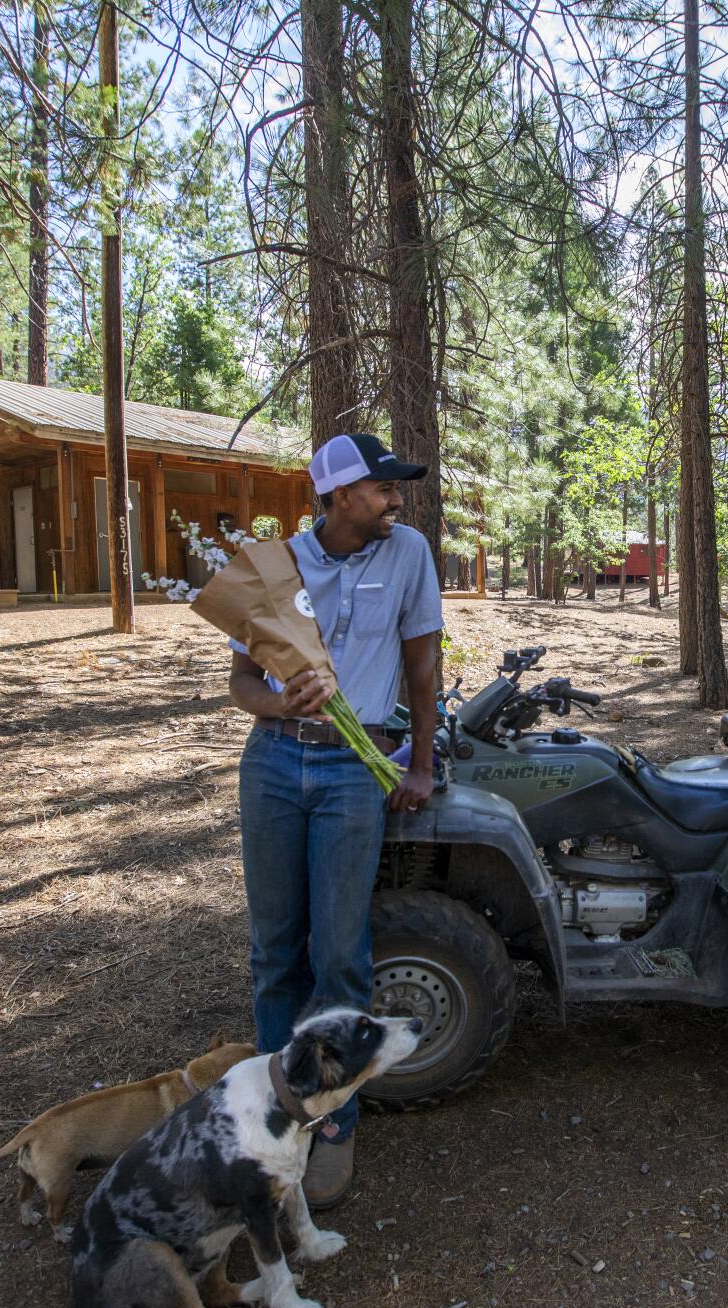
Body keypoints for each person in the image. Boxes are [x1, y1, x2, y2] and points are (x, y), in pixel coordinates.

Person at [228, 432, 441, 1209]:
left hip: (358, 769)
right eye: (383, 488)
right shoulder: (274, 564)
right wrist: (279, 702)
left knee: (341, 953)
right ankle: (273, 1112)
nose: (396, 499)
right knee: (274, 949)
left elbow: (423, 664)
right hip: (276, 764)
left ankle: (333, 1121)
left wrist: (418, 762)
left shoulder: (409, 551)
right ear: (342, 495)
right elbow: (240, 681)